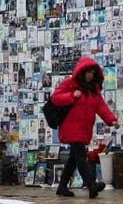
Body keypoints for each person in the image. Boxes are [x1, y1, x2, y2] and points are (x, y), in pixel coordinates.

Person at [51, 57, 119, 198]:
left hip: (83, 129)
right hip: (70, 128)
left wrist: (112, 120)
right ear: (81, 72)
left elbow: (101, 107)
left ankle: (62, 186)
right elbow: (55, 98)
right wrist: (72, 95)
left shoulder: (94, 90)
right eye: (87, 72)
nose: (90, 75)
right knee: (81, 156)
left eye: (92, 73)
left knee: (73, 159)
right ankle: (91, 185)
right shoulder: (70, 83)